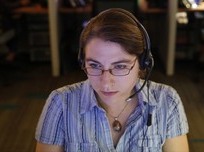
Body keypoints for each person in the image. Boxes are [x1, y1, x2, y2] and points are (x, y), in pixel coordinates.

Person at [35, 8, 189, 151]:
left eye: (120, 66)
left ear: (143, 63)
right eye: (94, 65)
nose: (106, 82)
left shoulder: (167, 101)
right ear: (83, 62)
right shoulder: (61, 103)